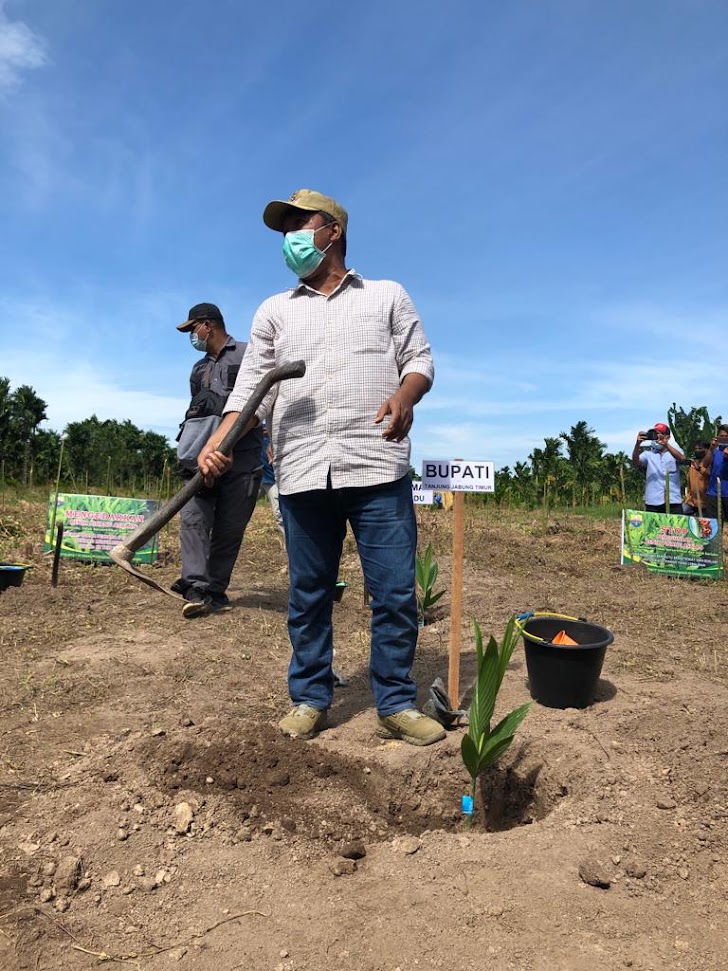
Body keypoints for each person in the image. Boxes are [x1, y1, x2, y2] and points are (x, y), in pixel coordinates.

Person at [197, 188, 445, 746]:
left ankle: (395, 702)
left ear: (332, 231)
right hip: (304, 468)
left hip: (376, 464)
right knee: (308, 592)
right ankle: (310, 697)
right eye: (285, 230)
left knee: (396, 592)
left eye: (299, 226)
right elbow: (248, 394)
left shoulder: (385, 296)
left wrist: (406, 396)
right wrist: (219, 441)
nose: (290, 239)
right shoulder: (274, 312)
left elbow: (420, 362)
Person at [172, 303, 263, 619]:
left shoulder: (247, 354)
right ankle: (195, 586)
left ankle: (214, 589)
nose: (191, 337)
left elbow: (260, 403)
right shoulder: (197, 369)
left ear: (207, 325)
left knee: (230, 526)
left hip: (244, 457)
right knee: (194, 518)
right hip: (202, 457)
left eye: (191, 329)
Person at [632, 422, 684, 514]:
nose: (655, 437)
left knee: (675, 527)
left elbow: (682, 458)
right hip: (653, 501)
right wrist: (637, 444)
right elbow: (636, 462)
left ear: (667, 437)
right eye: (654, 434)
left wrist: (666, 444)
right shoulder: (648, 454)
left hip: (673, 500)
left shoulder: (674, 452)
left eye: (658, 434)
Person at [259, 423, 285, 545]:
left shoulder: (275, 441)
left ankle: (290, 544)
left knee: (279, 513)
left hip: (271, 480)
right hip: (257, 480)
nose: (264, 430)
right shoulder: (255, 441)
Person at [700, 425, 728, 521]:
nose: (724, 439)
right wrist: (711, 449)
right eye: (721, 437)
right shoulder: (714, 451)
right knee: (714, 524)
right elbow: (704, 464)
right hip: (713, 494)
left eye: (726, 437)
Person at [683, 441, 710, 515]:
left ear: (707, 450)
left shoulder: (709, 463)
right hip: (691, 501)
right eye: (696, 449)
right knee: (681, 516)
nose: (697, 451)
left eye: (700, 448)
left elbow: (709, 474)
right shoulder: (692, 464)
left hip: (705, 502)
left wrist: (699, 468)